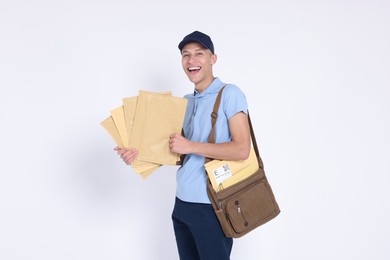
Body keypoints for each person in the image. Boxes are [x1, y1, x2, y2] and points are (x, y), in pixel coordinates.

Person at [114, 31, 251, 260]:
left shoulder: (230, 94)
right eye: (186, 55)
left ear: (213, 59)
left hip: (212, 206)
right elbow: (176, 152)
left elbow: (241, 149)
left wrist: (191, 146)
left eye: (199, 53)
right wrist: (136, 155)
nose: (191, 60)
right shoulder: (186, 101)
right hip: (182, 205)